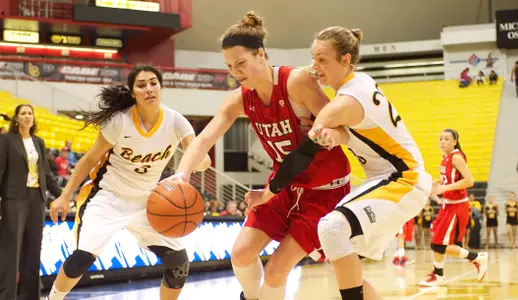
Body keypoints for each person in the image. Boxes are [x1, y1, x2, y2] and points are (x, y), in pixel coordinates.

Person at [173, 12, 351, 300]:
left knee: (276, 272)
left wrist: (321, 132)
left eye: (241, 63)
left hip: (323, 192)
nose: (236, 72)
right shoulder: (240, 99)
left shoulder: (297, 82)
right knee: (241, 255)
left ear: (261, 54)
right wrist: (181, 175)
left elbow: (342, 127)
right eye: (229, 66)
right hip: (283, 186)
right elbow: (205, 138)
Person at [246, 26, 433, 300]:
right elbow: (356, 133)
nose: (314, 67)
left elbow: (301, 157)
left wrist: (268, 192)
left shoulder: (342, 103)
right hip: (392, 178)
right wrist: (336, 135)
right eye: (313, 59)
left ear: (345, 59)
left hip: (402, 178)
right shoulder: (359, 85)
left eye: (322, 60)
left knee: (331, 227)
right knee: (339, 258)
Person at [46, 65, 211, 300]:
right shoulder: (119, 122)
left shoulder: (176, 121)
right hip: (107, 196)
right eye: (141, 85)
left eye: (153, 83)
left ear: (161, 87)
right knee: (81, 259)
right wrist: (64, 195)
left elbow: (197, 156)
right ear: (133, 93)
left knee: (179, 264)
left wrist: (201, 160)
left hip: (148, 200)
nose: (149, 89)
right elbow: (89, 159)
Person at [0, 104, 62, 300]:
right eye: (23, 113)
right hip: (14, 199)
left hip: (37, 199)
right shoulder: (6, 140)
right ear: (16, 118)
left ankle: (30, 296)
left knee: (34, 249)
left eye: (30, 113)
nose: (27, 116)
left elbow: (46, 173)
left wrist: (62, 195)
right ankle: (7, 296)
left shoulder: (39, 142)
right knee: (12, 251)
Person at [419, 129, 488, 287]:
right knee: (438, 242)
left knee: (438, 243)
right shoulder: (445, 157)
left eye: (447, 139)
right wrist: (437, 183)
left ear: (455, 141)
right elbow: (450, 178)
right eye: (441, 139)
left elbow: (469, 181)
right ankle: (472, 259)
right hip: (447, 205)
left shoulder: (456, 157)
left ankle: (440, 274)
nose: (442, 142)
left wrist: (444, 188)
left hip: (457, 206)